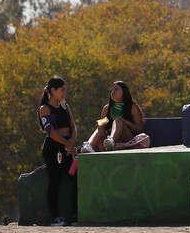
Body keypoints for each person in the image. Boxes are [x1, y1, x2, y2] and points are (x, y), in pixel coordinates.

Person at [38, 76, 77, 226]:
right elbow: (51, 132)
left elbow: (73, 126)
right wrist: (66, 144)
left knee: (76, 177)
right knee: (55, 180)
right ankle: (55, 217)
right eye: (62, 90)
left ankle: (75, 214)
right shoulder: (45, 108)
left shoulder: (65, 106)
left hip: (67, 147)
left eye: (65, 89)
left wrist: (72, 140)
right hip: (54, 148)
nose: (64, 93)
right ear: (53, 90)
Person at [81, 80, 145, 152]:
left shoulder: (132, 107)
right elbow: (101, 126)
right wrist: (105, 123)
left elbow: (139, 130)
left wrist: (125, 122)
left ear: (124, 92)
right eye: (111, 90)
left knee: (118, 120)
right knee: (100, 130)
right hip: (107, 144)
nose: (113, 91)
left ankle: (111, 140)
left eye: (116, 89)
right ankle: (88, 146)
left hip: (128, 141)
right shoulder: (106, 108)